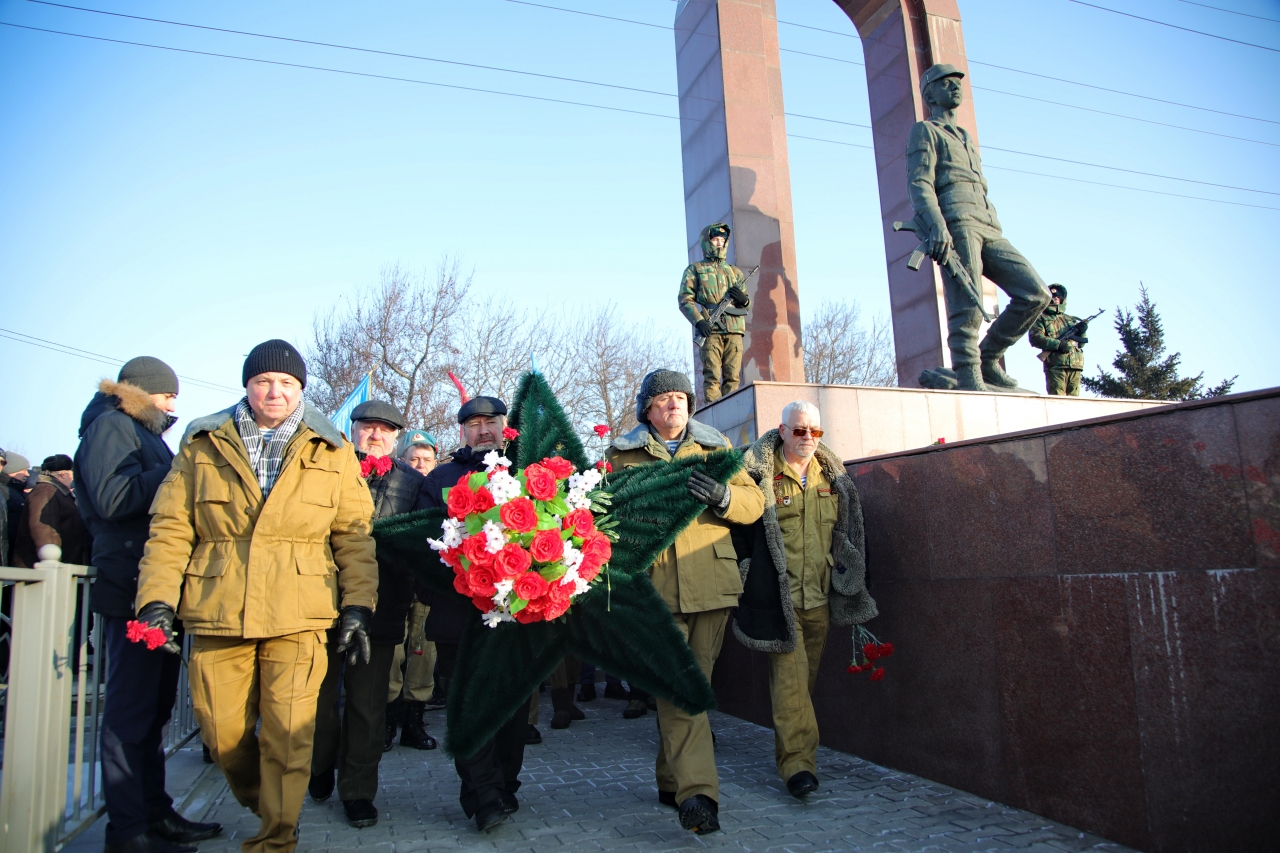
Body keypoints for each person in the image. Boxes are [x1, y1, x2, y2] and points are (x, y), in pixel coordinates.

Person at [133, 340, 378, 853]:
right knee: (222, 735)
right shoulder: (203, 443)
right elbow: (171, 529)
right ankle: (268, 803)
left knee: (289, 736)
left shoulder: (332, 449)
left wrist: (358, 605)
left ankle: (276, 837)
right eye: (264, 381)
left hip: (300, 612)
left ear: (301, 389)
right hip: (220, 609)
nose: (275, 391)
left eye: (287, 382)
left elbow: (354, 537)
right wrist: (156, 601)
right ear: (247, 385)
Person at [606, 369, 764, 835]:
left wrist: (724, 495)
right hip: (653, 589)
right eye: (663, 399)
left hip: (711, 584)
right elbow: (601, 518)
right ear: (647, 409)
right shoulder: (621, 456)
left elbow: (755, 503)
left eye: (680, 397)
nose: (674, 404)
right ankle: (698, 796)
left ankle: (669, 778)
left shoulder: (717, 448)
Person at [73, 357, 222, 853]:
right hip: (130, 587)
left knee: (154, 709)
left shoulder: (140, 431)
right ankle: (127, 829)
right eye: (167, 395)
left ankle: (155, 812)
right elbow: (113, 498)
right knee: (130, 712)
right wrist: (180, 471)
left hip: (153, 585)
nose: (172, 404)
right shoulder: (111, 426)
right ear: (137, 392)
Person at [733, 401, 877, 799]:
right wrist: (746, 572)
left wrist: (852, 579)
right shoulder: (757, 476)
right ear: (782, 431)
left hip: (820, 600)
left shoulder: (833, 477)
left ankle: (791, 749)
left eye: (815, 431)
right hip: (778, 600)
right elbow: (739, 531)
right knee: (790, 679)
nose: (808, 438)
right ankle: (798, 766)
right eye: (799, 430)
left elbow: (850, 532)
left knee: (801, 682)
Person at [309, 399, 430, 828]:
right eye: (368, 426)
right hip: (321, 605)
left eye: (385, 429)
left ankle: (358, 791)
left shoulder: (413, 484)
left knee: (368, 705)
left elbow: (420, 545)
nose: (375, 435)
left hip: (382, 607)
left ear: (396, 437)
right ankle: (320, 764)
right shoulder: (323, 469)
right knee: (317, 700)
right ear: (353, 428)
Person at [415, 395, 527, 833]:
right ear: (462, 432)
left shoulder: (525, 473)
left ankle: (506, 784)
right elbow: (421, 543)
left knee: (512, 709)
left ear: (504, 426)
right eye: (474, 424)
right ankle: (483, 796)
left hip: (517, 618)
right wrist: (447, 590)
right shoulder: (441, 478)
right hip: (458, 617)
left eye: (490, 422)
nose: (483, 431)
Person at [906, 63, 1051, 391]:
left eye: (957, 82)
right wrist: (937, 225)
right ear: (930, 94)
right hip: (957, 221)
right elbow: (920, 182)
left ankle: (987, 358)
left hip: (988, 225)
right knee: (967, 303)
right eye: (945, 83)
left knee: (1036, 294)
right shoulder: (925, 131)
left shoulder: (966, 138)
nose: (955, 87)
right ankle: (968, 373)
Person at [678, 223, 751, 402]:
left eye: (722, 240)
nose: (719, 243)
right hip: (711, 329)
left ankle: (733, 411)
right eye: (715, 239)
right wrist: (699, 321)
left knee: (733, 378)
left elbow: (746, 305)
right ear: (707, 242)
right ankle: (715, 415)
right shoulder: (695, 269)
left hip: (734, 329)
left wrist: (743, 300)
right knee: (712, 377)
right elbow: (685, 299)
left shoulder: (735, 272)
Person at [12, 454, 92, 568]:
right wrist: (53, 565)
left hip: (58, 568)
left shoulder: (57, 492)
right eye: (72, 473)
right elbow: (44, 531)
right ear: (64, 474)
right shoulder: (46, 492)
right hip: (46, 570)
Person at [1030, 284, 1088, 396]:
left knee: (1075, 401)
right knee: (1058, 400)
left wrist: (1082, 332)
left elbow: (1081, 344)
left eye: (1058, 297)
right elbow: (1035, 338)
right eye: (1053, 296)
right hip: (1055, 365)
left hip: (1075, 365)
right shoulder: (1041, 318)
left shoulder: (1070, 319)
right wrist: (1058, 344)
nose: (1056, 299)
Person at [2, 451, 30, 563]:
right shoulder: (4, 491)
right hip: (8, 552)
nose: (27, 474)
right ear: (11, 471)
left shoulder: (17, 492)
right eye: (24, 470)